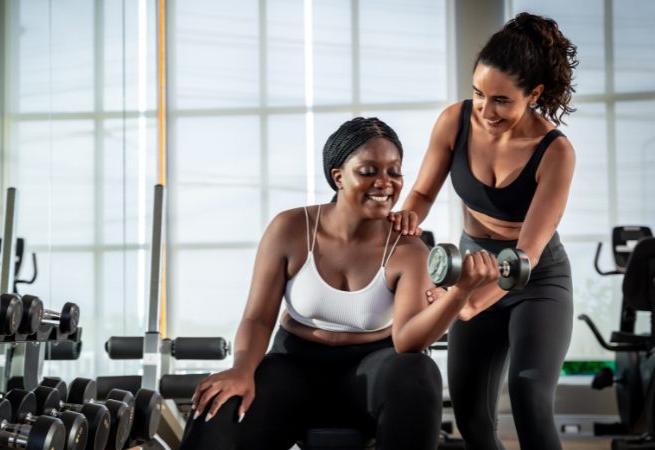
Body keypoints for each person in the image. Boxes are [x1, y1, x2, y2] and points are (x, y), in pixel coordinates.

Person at [179, 117, 499, 450]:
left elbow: (407, 342)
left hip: (374, 372)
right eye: (368, 171)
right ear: (338, 177)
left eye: (394, 171)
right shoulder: (290, 229)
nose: (384, 183)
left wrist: (461, 292)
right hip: (293, 367)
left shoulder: (408, 248)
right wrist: (242, 369)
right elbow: (258, 318)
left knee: (418, 373)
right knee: (217, 402)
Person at [390, 12, 578, 450]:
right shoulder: (454, 122)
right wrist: (406, 219)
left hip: (535, 278)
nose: (486, 111)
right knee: (472, 414)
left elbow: (524, 255)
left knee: (529, 398)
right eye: (479, 94)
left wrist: (471, 301)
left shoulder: (556, 152)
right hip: (472, 265)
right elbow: (420, 193)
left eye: (501, 101)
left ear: (533, 94)